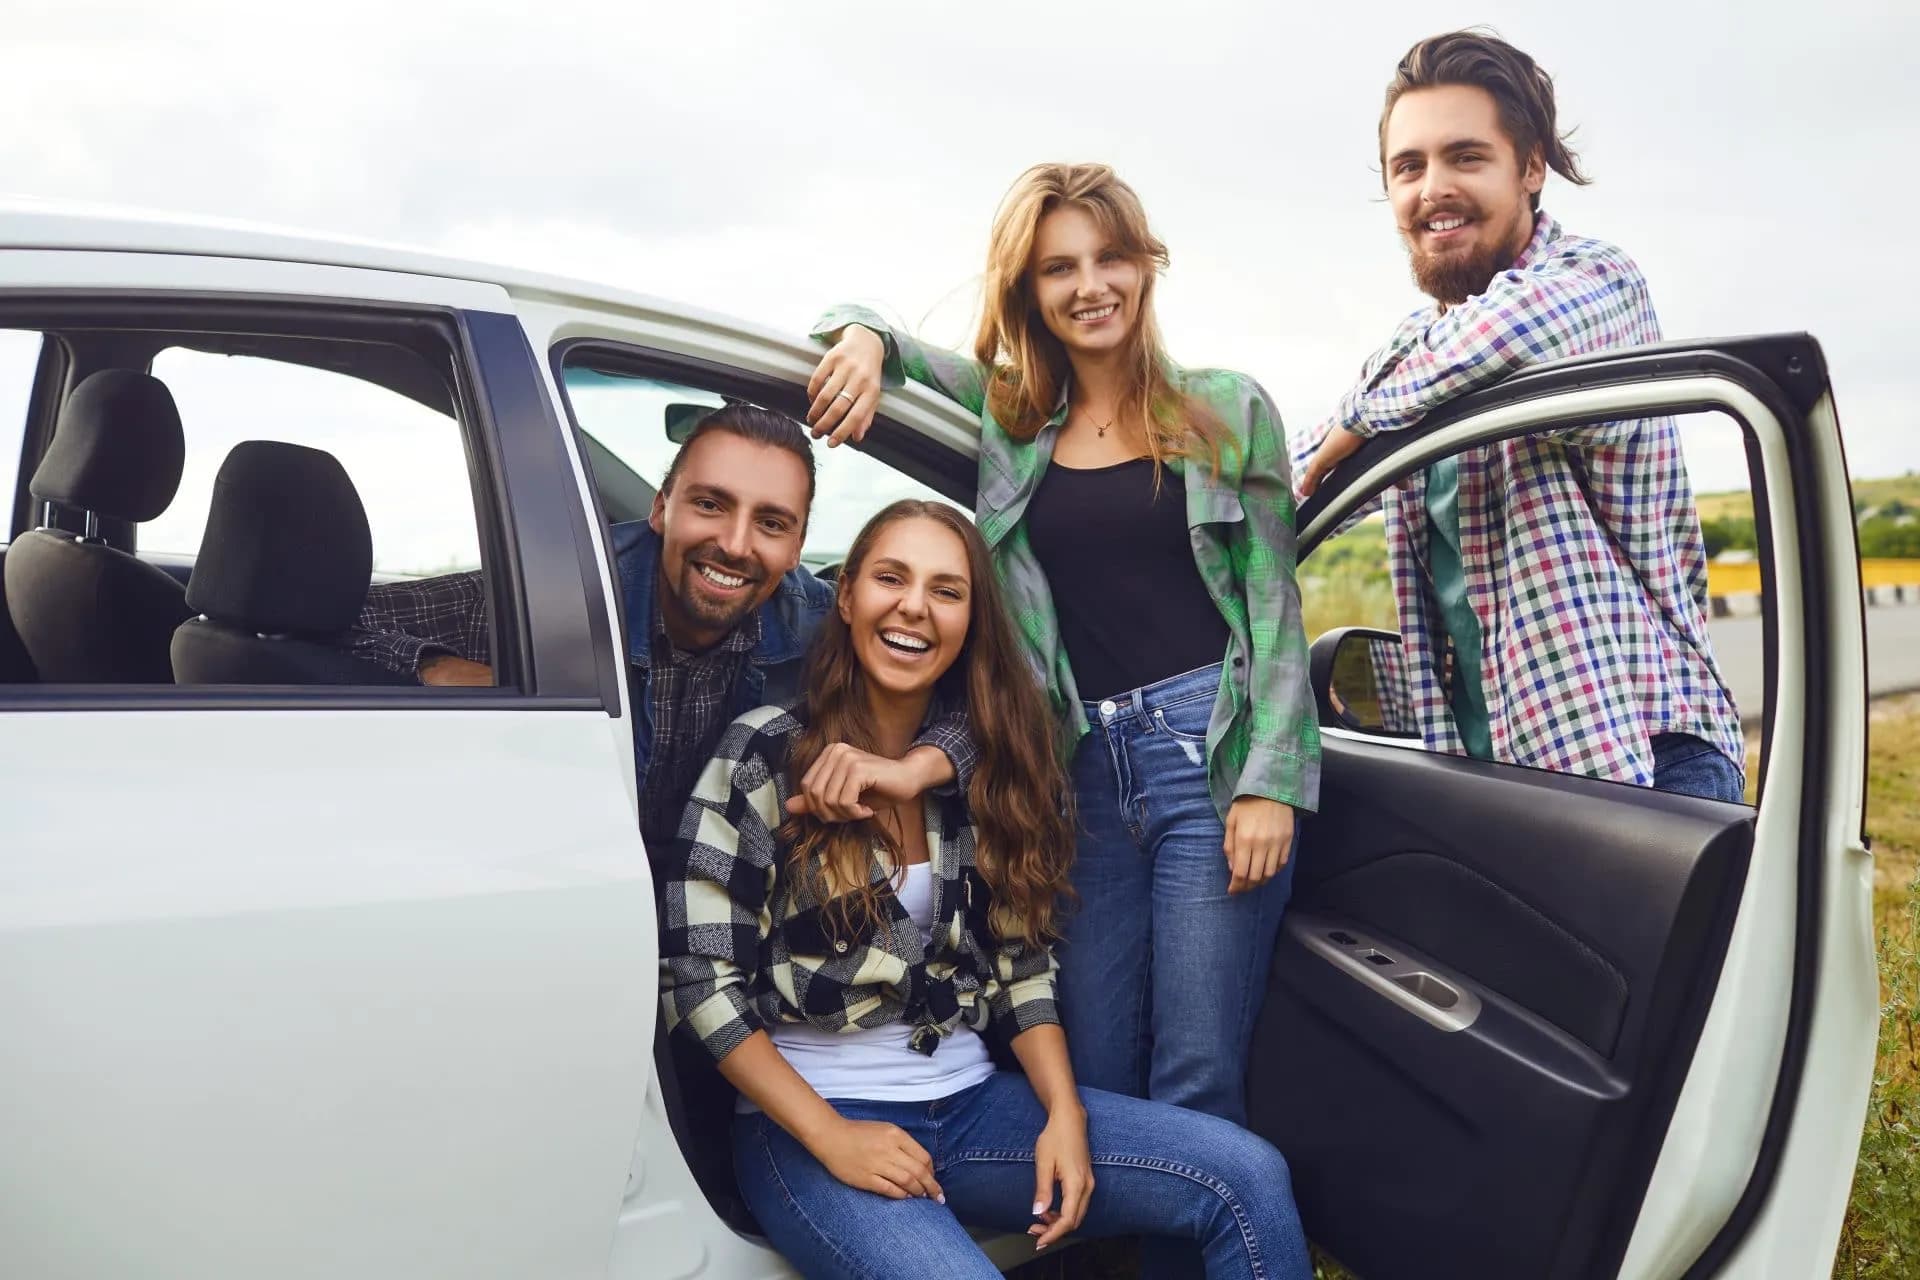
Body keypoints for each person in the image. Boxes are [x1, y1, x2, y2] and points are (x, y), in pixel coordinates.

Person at [658, 499, 1312, 1280]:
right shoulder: (766, 750)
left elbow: (1019, 968)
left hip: (974, 1108)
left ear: (971, 619)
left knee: (1247, 1178)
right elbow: (699, 981)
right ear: (846, 595)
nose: (914, 607)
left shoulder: (977, 772)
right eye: (890, 578)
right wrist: (833, 1137)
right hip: (807, 1124)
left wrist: (1064, 1114)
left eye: (947, 589)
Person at [804, 165, 1319, 1146]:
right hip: (1075, 772)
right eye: (1059, 267)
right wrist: (864, 338)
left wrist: (1273, 781)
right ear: (1028, 289)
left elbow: (1274, 608)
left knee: (1196, 1075)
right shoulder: (1010, 417)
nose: (1090, 285)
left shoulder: (1229, 409)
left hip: (1205, 757)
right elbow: (867, 328)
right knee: (1093, 1065)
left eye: (1109, 257)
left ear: (1145, 266)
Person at [1293, 29, 1744, 800]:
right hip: (1491, 773)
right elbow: (1301, 482)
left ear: (1531, 166)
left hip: (1642, 760)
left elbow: (1499, 340)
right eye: (1408, 167)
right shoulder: (1413, 357)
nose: (1431, 187)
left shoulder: (1595, 284)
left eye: (1465, 157)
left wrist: (1352, 426)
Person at [350, 403, 973, 851]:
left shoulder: (816, 619)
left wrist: (917, 768)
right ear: (660, 507)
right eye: (710, 504)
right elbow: (318, 613)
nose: (734, 544)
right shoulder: (563, 593)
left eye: (771, 524)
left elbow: (1002, 693)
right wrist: (435, 667)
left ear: (796, 548)